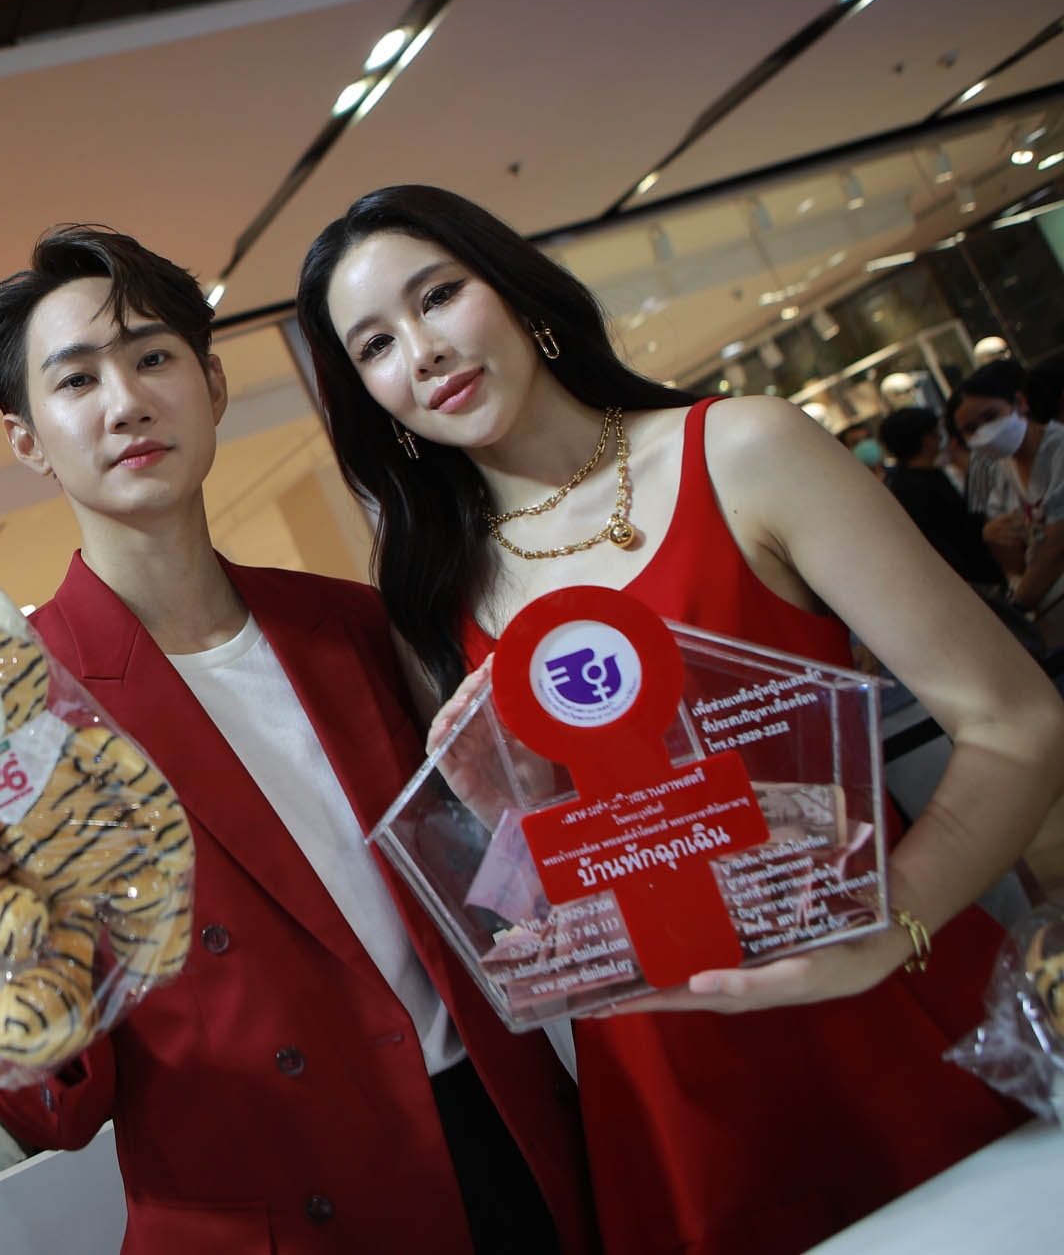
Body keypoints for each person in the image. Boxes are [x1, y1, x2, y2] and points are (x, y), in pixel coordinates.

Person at [294, 184, 1064, 1254]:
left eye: (438, 296)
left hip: (874, 995)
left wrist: (892, 924)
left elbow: (1012, 720)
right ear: (367, 395)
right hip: (666, 1090)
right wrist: (505, 824)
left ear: (515, 292)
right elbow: (537, 897)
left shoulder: (742, 451)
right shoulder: (431, 590)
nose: (421, 352)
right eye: (375, 344)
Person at [0, 226, 595, 1253]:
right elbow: (58, 1114)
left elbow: (494, 899)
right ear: (27, 439)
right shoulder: (12, 714)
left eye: (152, 357)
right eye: (76, 379)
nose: (126, 401)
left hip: (507, 1152)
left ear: (213, 385)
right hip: (287, 1213)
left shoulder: (355, 625)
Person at [951, 359, 1064, 624]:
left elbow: (1056, 548)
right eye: (971, 429)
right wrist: (994, 536)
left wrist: (1016, 611)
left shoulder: (1057, 450)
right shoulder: (998, 469)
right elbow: (1013, 560)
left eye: (990, 417)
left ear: (1020, 403)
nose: (985, 432)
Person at [879, 408, 1007, 590]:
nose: (940, 437)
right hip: (972, 578)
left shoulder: (926, 473)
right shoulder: (912, 487)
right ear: (926, 438)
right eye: (935, 431)